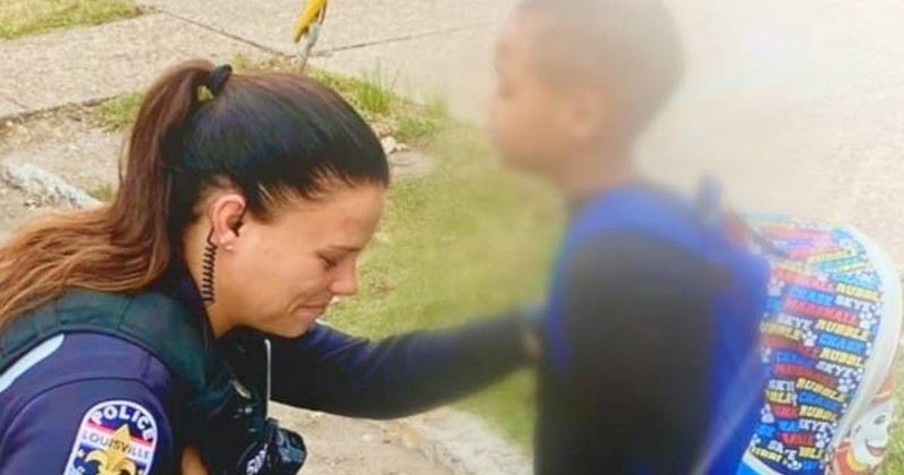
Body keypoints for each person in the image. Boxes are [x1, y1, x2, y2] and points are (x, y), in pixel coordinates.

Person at [0, 60, 531, 474]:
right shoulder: (115, 402)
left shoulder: (186, 296)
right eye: (330, 258)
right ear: (231, 223)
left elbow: (367, 377)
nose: (348, 284)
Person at [488, 0, 771, 473]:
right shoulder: (660, 217)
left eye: (507, 86)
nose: (489, 103)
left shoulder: (608, 261)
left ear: (581, 113)